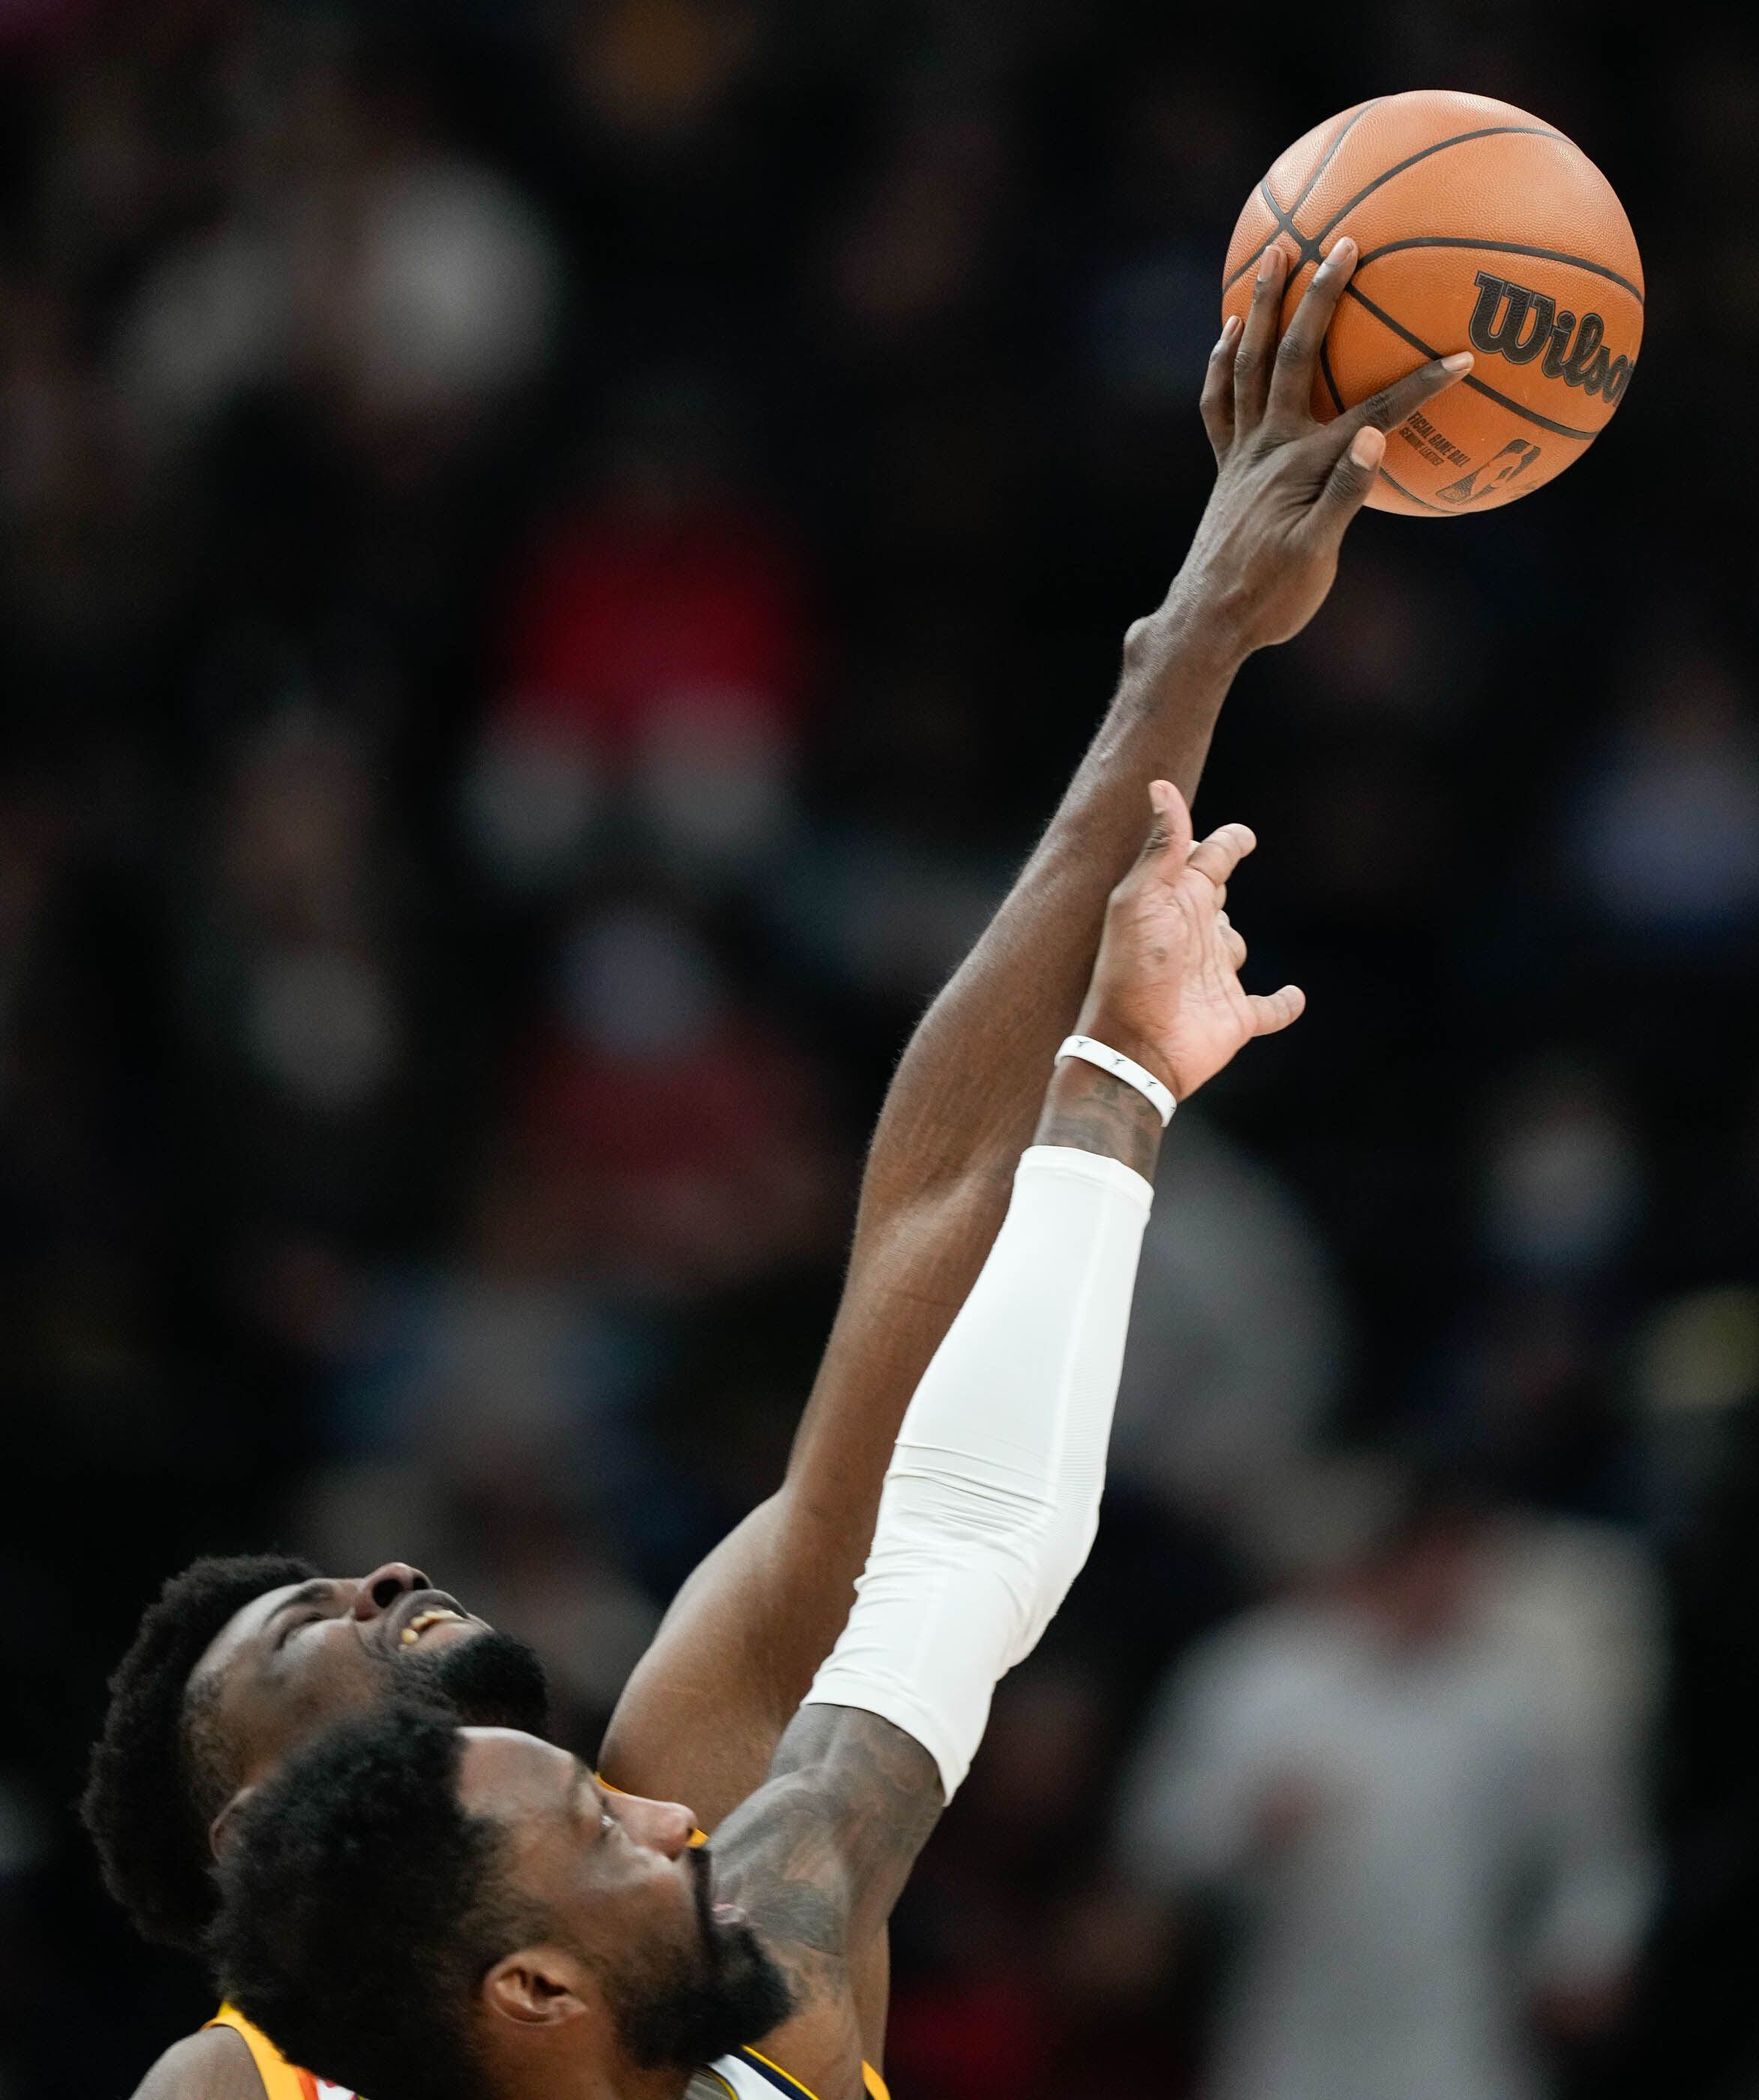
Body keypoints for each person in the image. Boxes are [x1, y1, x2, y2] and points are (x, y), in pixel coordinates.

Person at [88, 238, 1468, 2098]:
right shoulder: (232, 2083)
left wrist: (1193, 653)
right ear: (257, 1829)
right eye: (298, 1627)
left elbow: (936, 1463)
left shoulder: (753, 1927)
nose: (379, 1574)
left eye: (603, 1815)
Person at [207, 776, 1305, 2100]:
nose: (674, 1816)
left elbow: (964, 1540)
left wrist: (1121, 1079)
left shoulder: (768, 1980)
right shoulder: (220, 2082)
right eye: (604, 1833)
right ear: (538, 1989)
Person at [1115, 1466, 1658, 2100]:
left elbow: (1596, 1844)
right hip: (1284, 2031)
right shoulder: (1259, 1675)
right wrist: (1245, 1823)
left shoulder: (1515, 1696)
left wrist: (1584, 1952)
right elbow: (1156, 1838)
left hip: (1459, 2039)